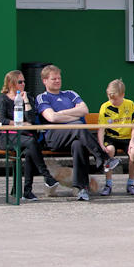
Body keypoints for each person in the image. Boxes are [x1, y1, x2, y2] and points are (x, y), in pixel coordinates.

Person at [36, 64, 122, 202]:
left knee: (78, 144)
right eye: (54, 79)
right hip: (54, 137)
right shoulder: (42, 98)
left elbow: (84, 110)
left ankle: (81, 189)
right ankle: (104, 158)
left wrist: (62, 113)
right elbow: (51, 118)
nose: (58, 81)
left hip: (75, 136)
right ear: (45, 81)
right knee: (79, 126)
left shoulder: (70, 94)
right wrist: (73, 117)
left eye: (59, 78)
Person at [0, 70, 59, 201]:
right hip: (9, 136)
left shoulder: (28, 98)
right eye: (20, 82)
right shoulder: (3, 99)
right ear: (11, 83)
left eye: (24, 81)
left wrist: (26, 102)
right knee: (31, 142)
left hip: (26, 136)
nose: (23, 84)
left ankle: (27, 191)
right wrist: (19, 123)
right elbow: (2, 119)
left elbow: (31, 119)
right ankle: (46, 176)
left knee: (31, 149)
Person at [98, 79, 134, 196]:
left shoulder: (130, 104)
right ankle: (108, 184)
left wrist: (132, 142)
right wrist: (101, 144)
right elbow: (101, 129)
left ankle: (130, 184)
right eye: (110, 98)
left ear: (122, 95)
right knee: (109, 151)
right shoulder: (105, 107)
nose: (112, 101)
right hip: (111, 137)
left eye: (115, 99)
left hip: (127, 138)